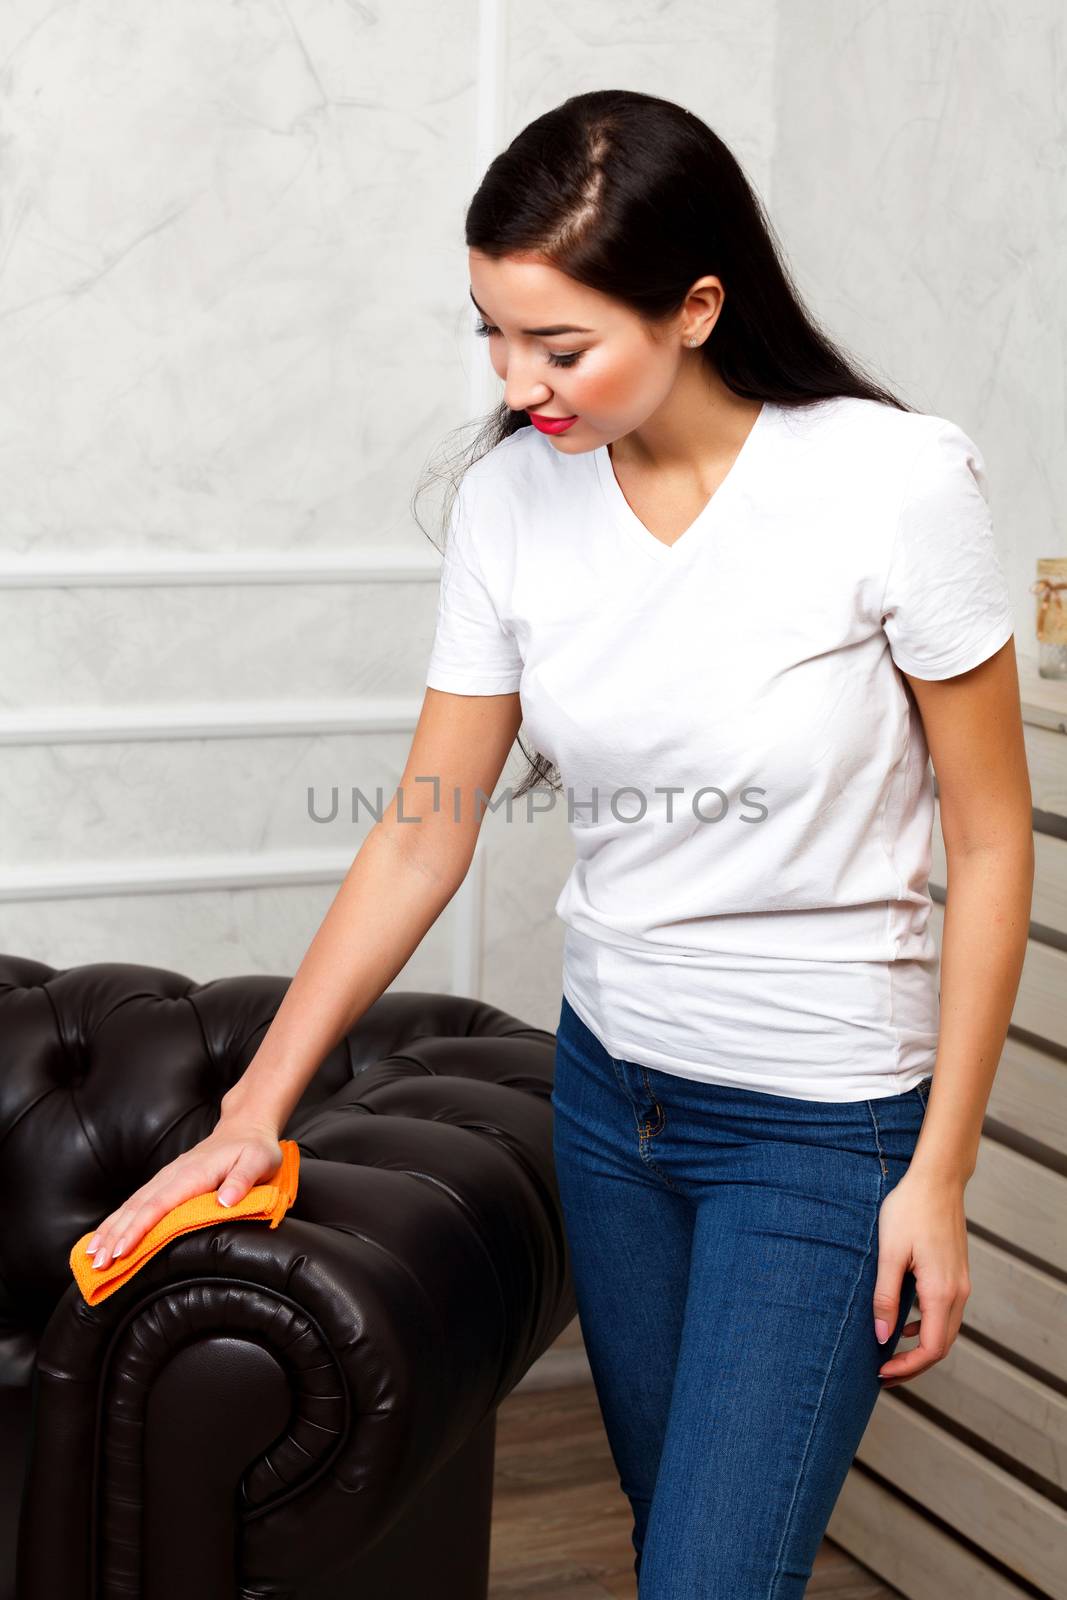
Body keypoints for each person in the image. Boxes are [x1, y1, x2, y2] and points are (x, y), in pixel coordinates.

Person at [85, 90, 1033, 1597]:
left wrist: (937, 1171)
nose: (520, 383)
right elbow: (423, 830)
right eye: (492, 334)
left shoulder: (890, 481)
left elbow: (990, 842)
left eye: (563, 346)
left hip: (819, 1120)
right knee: (677, 1552)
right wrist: (255, 1109)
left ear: (699, 308)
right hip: (614, 1106)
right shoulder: (515, 502)